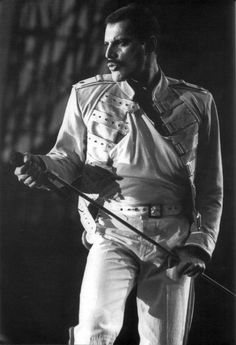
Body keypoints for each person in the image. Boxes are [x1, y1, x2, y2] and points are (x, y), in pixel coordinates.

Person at [14, 3, 223, 345]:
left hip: (172, 239)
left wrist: (199, 246)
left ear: (150, 45)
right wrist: (42, 167)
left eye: (121, 43)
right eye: (106, 44)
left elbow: (210, 188)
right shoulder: (87, 94)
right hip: (112, 230)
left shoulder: (197, 102)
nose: (109, 53)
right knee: (93, 334)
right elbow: (66, 159)